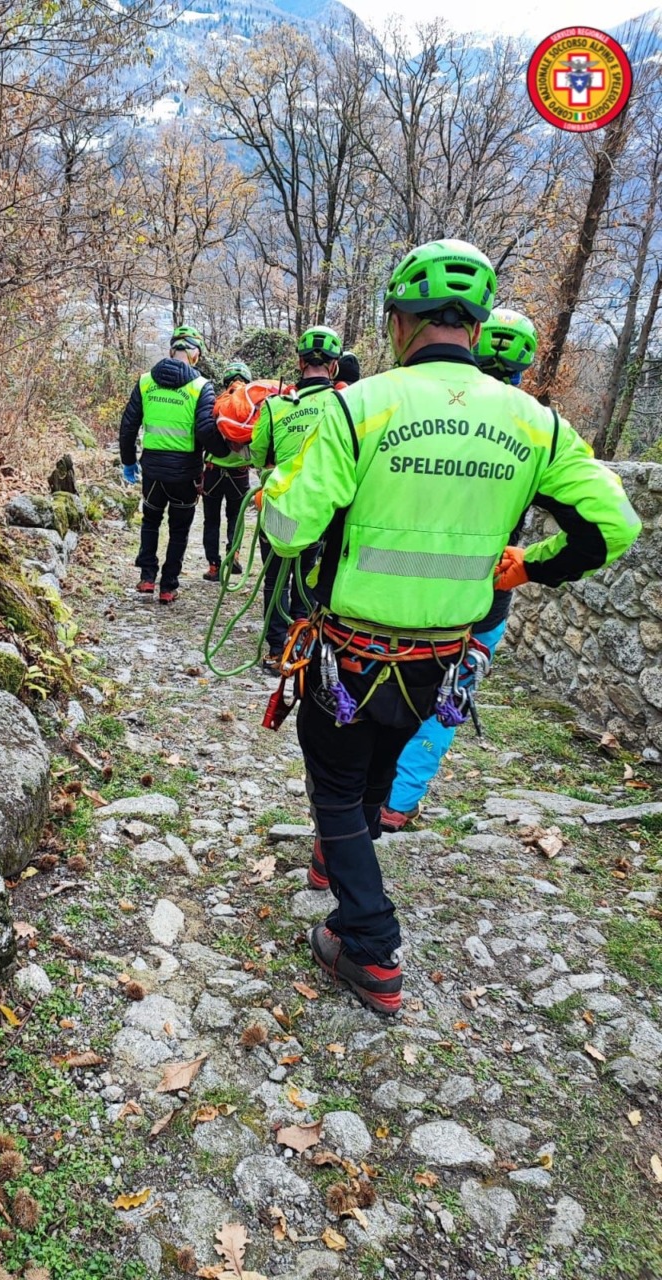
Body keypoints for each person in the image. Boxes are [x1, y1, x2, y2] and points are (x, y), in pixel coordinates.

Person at [257, 239, 641, 1015]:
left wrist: (274, 489)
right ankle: (339, 866)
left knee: (335, 785)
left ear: (399, 322)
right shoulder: (535, 423)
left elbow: (291, 528)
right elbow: (614, 523)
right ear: (474, 324)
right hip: (443, 659)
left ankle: (370, 944)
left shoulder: (355, 407)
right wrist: (530, 566)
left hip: (348, 652)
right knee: (373, 774)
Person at [378, 308, 539, 831]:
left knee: (383, 685)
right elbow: (599, 523)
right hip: (485, 596)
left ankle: (363, 795)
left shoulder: (415, 409)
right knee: (450, 694)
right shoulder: (533, 427)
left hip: (402, 587)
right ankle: (399, 801)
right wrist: (532, 562)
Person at [250, 327, 347, 671]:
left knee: (275, 577)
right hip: (324, 510)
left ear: (300, 362)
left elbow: (259, 454)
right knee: (310, 576)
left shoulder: (275, 405)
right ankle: (302, 645)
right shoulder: (343, 405)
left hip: (279, 503)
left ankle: (277, 650)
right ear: (333, 366)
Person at [119, 326, 229, 604]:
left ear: (171, 351)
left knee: (151, 521)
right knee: (179, 529)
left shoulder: (146, 382)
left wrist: (129, 462)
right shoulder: (200, 386)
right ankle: (168, 586)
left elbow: (128, 425)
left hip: (152, 471)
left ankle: (146, 578)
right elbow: (205, 430)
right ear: (196, 355)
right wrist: (225, 451)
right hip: (185, 474)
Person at [202, 362, 254, 582]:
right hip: (239, 473)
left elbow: (203, 432)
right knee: (236, 517)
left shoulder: (217, 403)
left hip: (213, 471)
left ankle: (213, 566)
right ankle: (234, 556)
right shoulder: (252, 407)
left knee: (211, 520)